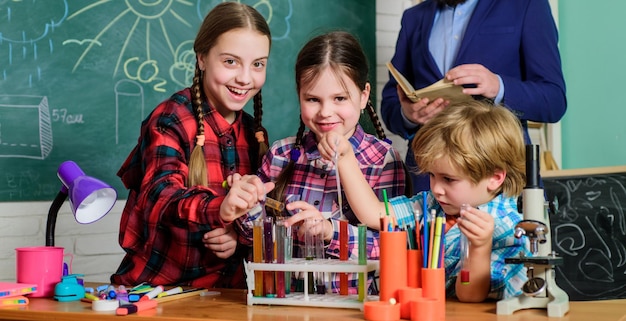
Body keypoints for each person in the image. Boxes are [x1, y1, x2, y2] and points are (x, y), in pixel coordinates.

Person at [111, 2, 274, 288]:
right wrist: (219, 209)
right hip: (159, 292)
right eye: (230, 61)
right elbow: (159, 194)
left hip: (225, 297)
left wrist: (239, 233)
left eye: (258, 64)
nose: (245, 78)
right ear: (202, 58)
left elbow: (262, 216)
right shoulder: (171, 118)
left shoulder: (254, 133)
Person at [320, 100, 531, 301]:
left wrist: (478, 248)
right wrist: (346, 159)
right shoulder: (432, 204)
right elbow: (375, 214)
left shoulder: (507, 229)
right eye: (432, 175)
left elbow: (470, 295)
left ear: (494, 178)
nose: (436, 189)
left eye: (449, 179)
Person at [248, 31, 407, 294]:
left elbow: (393, 248)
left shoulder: (383, 160)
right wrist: (246, 205)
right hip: (284, 304)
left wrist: (331, 231)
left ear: (364, 95)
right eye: (312, 99)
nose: (325, 112)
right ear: (299, 95)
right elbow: (252, 238)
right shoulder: (281, 155)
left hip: (353, 308)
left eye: (340, 99)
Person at [381, 0, 567, 191]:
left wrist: (499, 87)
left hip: (498, 178)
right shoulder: (413, 18)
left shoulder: (528, 5)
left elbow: (554, 100)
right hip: (427, 183)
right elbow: (390, 104)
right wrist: (408, 115)